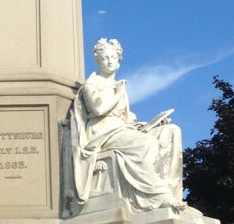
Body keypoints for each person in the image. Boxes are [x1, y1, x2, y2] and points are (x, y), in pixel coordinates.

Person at [70, 38, 191, 213]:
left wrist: (148, 125)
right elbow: (99, 109)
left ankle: (171, 190)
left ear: (119, 60)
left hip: (122, 128)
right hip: (103, 131)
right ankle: (157, 196)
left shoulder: (118, 85)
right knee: (145, 144)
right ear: (98, 60)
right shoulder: (92, 84)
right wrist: (118, 93)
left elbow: (127, 119)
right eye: (105, 58)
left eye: (113, 57)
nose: (110, 61)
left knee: (170, 132)